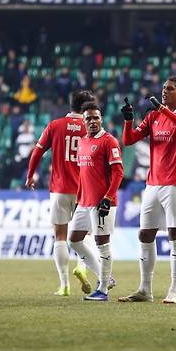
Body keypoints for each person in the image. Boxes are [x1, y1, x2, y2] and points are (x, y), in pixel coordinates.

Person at [118, 76, 176, 304]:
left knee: (175, 234)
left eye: (169, 89)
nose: (164, 91)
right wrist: (128, 121)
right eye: (163, 88)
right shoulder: (153, 116)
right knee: (145, 234)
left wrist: (163, 109)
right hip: (153, 183)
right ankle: (145, 289)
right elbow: (129, 140)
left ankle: (174, 290)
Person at [26, 90, 96, 296]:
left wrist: (30, 176)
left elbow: (37, 152)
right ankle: (82, 267)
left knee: (60, 236)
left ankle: (64, 285)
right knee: (86, 234)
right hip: (84, 189)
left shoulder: (55, 126)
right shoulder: (91, 126)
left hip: (59, 189)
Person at [68, 102, 124, 301]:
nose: (92, 121)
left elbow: (118, 172)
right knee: (74, 240)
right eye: (88, 118)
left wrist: (108, 197)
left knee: (102, 244)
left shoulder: (109, 141)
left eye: (96, 118)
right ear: (83, 122)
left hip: (102, 203)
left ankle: (103, 290)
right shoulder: (82, 142)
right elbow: (83, 175)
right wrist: (78, 199)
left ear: (101, 119)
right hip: (84, 202)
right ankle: (105, 277)